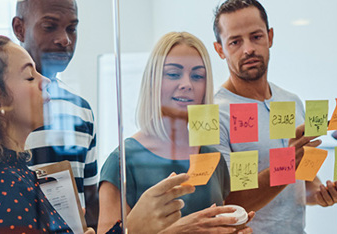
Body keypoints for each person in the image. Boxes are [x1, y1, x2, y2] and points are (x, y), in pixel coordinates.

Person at [0, 34, 199, 234]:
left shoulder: (7, 176)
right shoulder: (7, 187)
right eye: (30, 77)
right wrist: (135, 227)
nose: (46, 81)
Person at [212, 0, 337, 233]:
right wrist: (287, 163)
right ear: (220, 50)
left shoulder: (291, 101)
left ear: (270, 37)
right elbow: (227, 205)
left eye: (256, 36)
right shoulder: (214, 113)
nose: (249, 49)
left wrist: (321, 194)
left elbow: (304, 184)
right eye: (235, 42)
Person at [98, 32, 254, 234]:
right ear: (153, 80)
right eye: (173, 74)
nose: (187, 84)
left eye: (197, 76)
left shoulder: (212, 156)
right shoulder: (122, 162)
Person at [12, 0, 99, 229]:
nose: (64, 40)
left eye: (71, 29)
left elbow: (90, 198)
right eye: (50, 27)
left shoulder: (81, 110)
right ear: (20, 28)